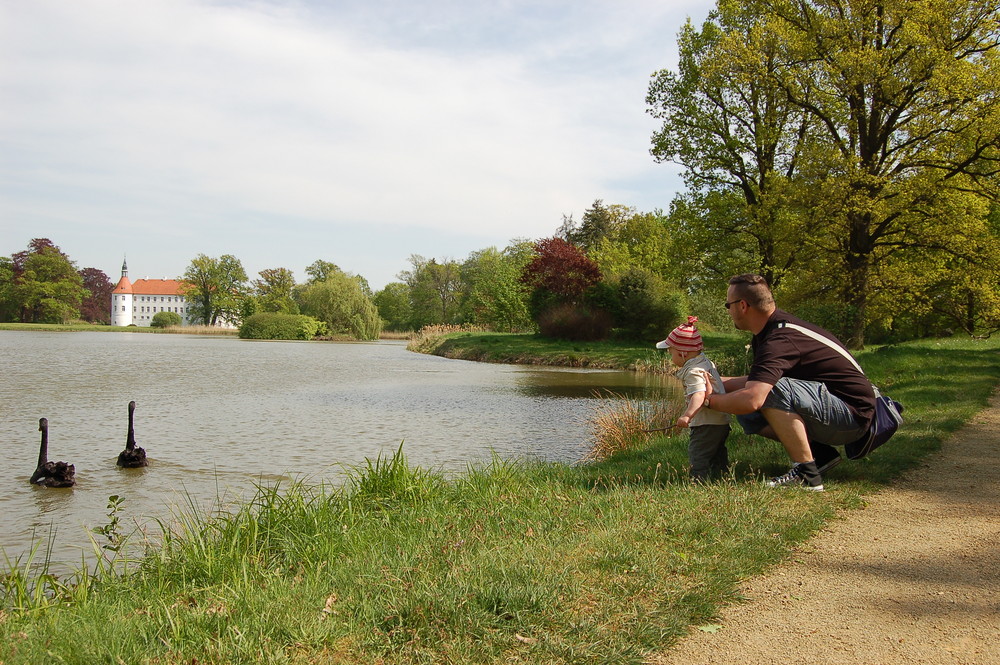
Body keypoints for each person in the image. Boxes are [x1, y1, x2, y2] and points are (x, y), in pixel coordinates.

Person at [702, 274, 875, 491]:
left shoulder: (779, 339)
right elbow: (758, 381)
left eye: (728, 305)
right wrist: (714, 382)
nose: (728, 311)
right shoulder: (772, 331)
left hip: (851, 417)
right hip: (838, 409)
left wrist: (709, 401)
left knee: (766, 393)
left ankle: (807, 474)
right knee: (750, 410)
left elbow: (754, 398)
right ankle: (820, 456)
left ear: (743, 305)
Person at [656, 316, 731, 481]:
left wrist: (687, 415)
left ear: (683, 354)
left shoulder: (693, 371)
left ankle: (698, 480)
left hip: (706, 423)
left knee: (698, 453)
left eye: (672, 353)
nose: (671, 358)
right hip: (720, 420)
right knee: (717, 451)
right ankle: (723, 476)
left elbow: (698, 394)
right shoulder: (705, 362)